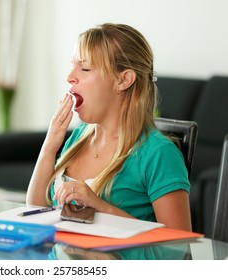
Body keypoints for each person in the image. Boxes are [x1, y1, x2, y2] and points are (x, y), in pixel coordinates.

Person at [26, 23, 192, 231]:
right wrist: (49, 145)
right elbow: (36, 209)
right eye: (73, 65)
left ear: (124, 80)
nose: (70, 76)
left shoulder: (159, 153)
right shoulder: (78, 138)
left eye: (85, 68)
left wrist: (100, 207)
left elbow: (179, 247)